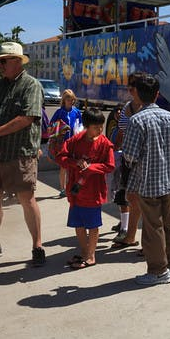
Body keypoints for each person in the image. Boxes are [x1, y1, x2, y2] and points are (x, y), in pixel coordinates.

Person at [0, 42, 46, 267]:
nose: (0, 65)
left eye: (3, 61)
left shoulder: (31, 85)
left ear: (16, 61)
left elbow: (27, 118)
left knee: (26, 198)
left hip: (20, 154)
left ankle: (37, 246)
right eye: (0, 61)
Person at [122, 73, 170, 285]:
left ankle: (158, 271)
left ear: (137, 93)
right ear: (157, 94)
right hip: (169, 180)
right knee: (168, 223)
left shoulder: (137, 120)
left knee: (152, 229)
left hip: (147, 183)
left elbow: (129, 156)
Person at [55, 108, 114, 269]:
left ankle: (91, 255)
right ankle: (84, 252)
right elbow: (61, 157)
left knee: (93, 225)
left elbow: (110, 166)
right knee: (78, 224)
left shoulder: (105, 144)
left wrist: (92, 168)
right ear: (86, 126)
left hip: (94, 192)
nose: (100, 130)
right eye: (96, 127)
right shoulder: (75, 141)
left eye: (101, 126)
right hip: (76, 192)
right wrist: (75, 163)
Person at [111, 73, 145, 247]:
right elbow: (121, 132)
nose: (129, 89)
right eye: (129, 85)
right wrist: (114, 150)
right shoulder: (126, 108)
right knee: (126, 195)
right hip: (127, 158)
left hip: (144, 162)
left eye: (133, 85)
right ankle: (128, 233)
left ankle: (148, 240)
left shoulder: (148, 109)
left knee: (145, 200)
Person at [49, 89, 83, 197]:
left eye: (72, 99)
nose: (70, 101)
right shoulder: (59, 112)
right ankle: (62, 189)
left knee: (73, 166)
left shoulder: (76, 112)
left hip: (74, 143)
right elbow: (51, 126)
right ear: (64, 100)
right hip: (62, 144)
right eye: (68, 98)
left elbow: (81, 126)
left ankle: (71, 187)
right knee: (63, 166)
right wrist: (61, 128)